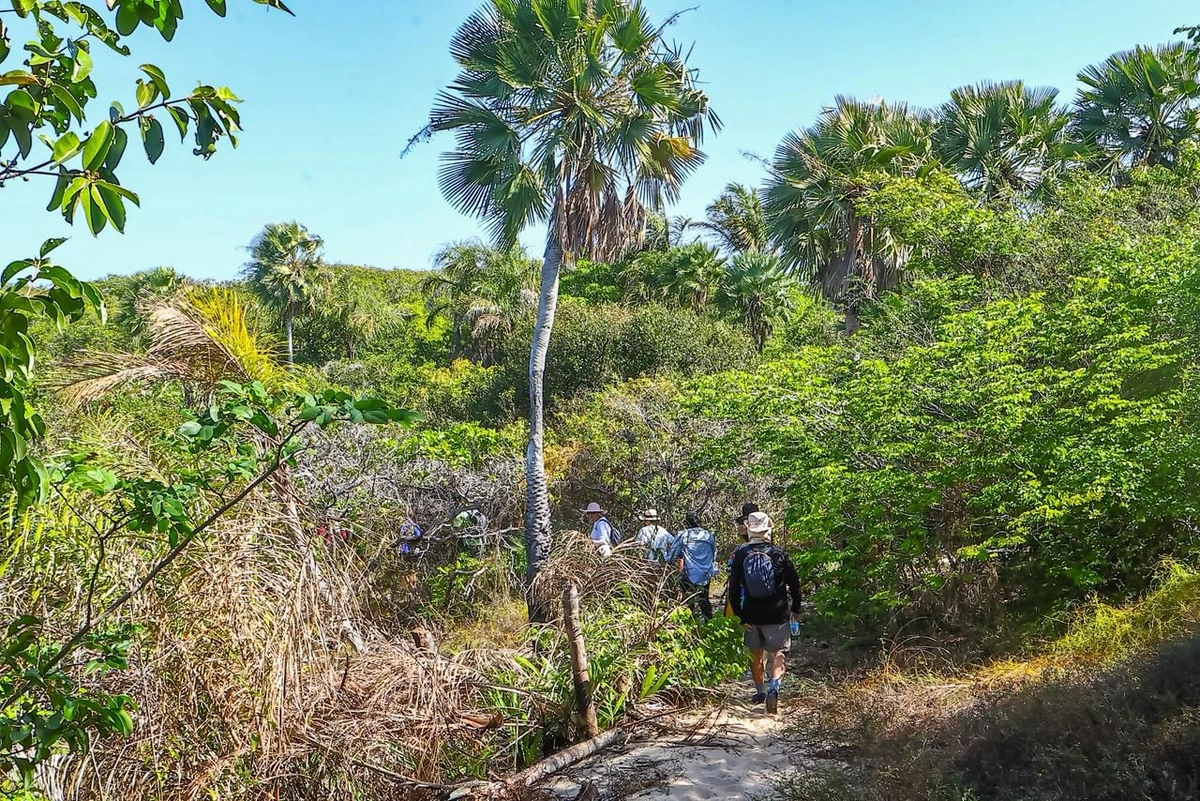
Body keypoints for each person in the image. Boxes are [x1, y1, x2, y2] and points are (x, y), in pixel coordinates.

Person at [728, 511, 801, 714]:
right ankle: (774, 688)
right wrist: (796, 608)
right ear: (768, 529)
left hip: (751, 613)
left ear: (749, 530)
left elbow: (733, 589)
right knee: (779, 652)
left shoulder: (741, 554)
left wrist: (740, 616)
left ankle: (760, 691)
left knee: (755, 654)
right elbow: (794, 584)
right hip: (777, 613)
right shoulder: (779, 553)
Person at [671, 511, 717, 620]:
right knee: (704, 599)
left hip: (689, 574)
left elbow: (674, 553)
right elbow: (714, 552)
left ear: (686, 522)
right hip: (705, 574)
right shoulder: (707, 535)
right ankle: (709, 625)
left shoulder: (683, 535)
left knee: (688, 600)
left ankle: (692, 627)